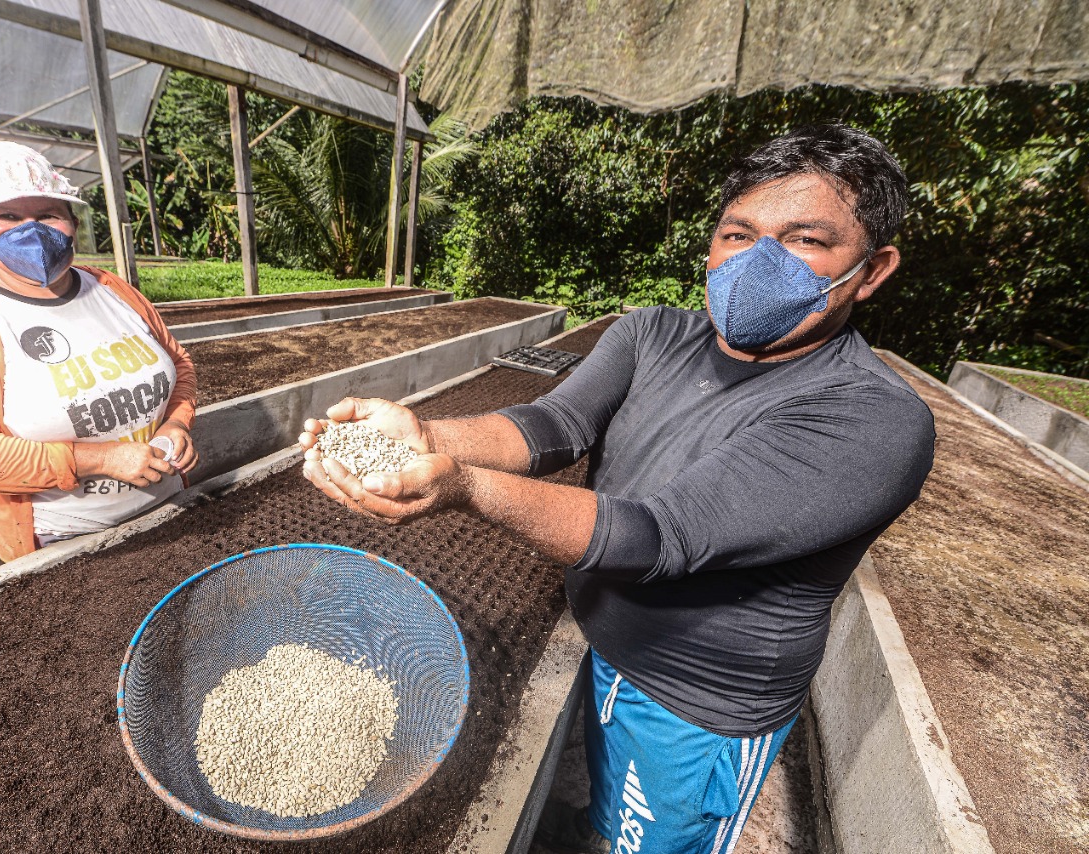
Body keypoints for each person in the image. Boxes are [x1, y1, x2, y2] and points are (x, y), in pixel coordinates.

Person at [298, 125, 936, 854]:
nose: (757, 261)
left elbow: (660, 536)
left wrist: (465, 488)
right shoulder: (653, 333)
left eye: (804, 241)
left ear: (872, 268)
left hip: (696, 707)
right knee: (608, 802)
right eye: (738, 233)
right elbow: (553, 423)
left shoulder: (870, 418)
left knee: (651, 839)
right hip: (608, 644)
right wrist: (428, 436)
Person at [0, 140, 199, 563]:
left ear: (71, 220)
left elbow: (178, 365)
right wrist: (99, 459)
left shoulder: (113, 291)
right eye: (6, 216)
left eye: (47, 214)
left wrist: (176, 423)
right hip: (64, 539)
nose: (31, 230)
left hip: (171, 508)